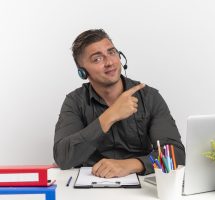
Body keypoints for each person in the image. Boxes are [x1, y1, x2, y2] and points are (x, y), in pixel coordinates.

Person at [53, 29, 185, 178]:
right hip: (92, 182)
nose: (109, 62)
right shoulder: (74, 102)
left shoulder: (149, 97)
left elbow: (176, 154)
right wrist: (110, 115)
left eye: (112, 52)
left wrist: (132, 164)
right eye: (97, 59)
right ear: (82, 72)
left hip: (142, 184)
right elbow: (62, 157)